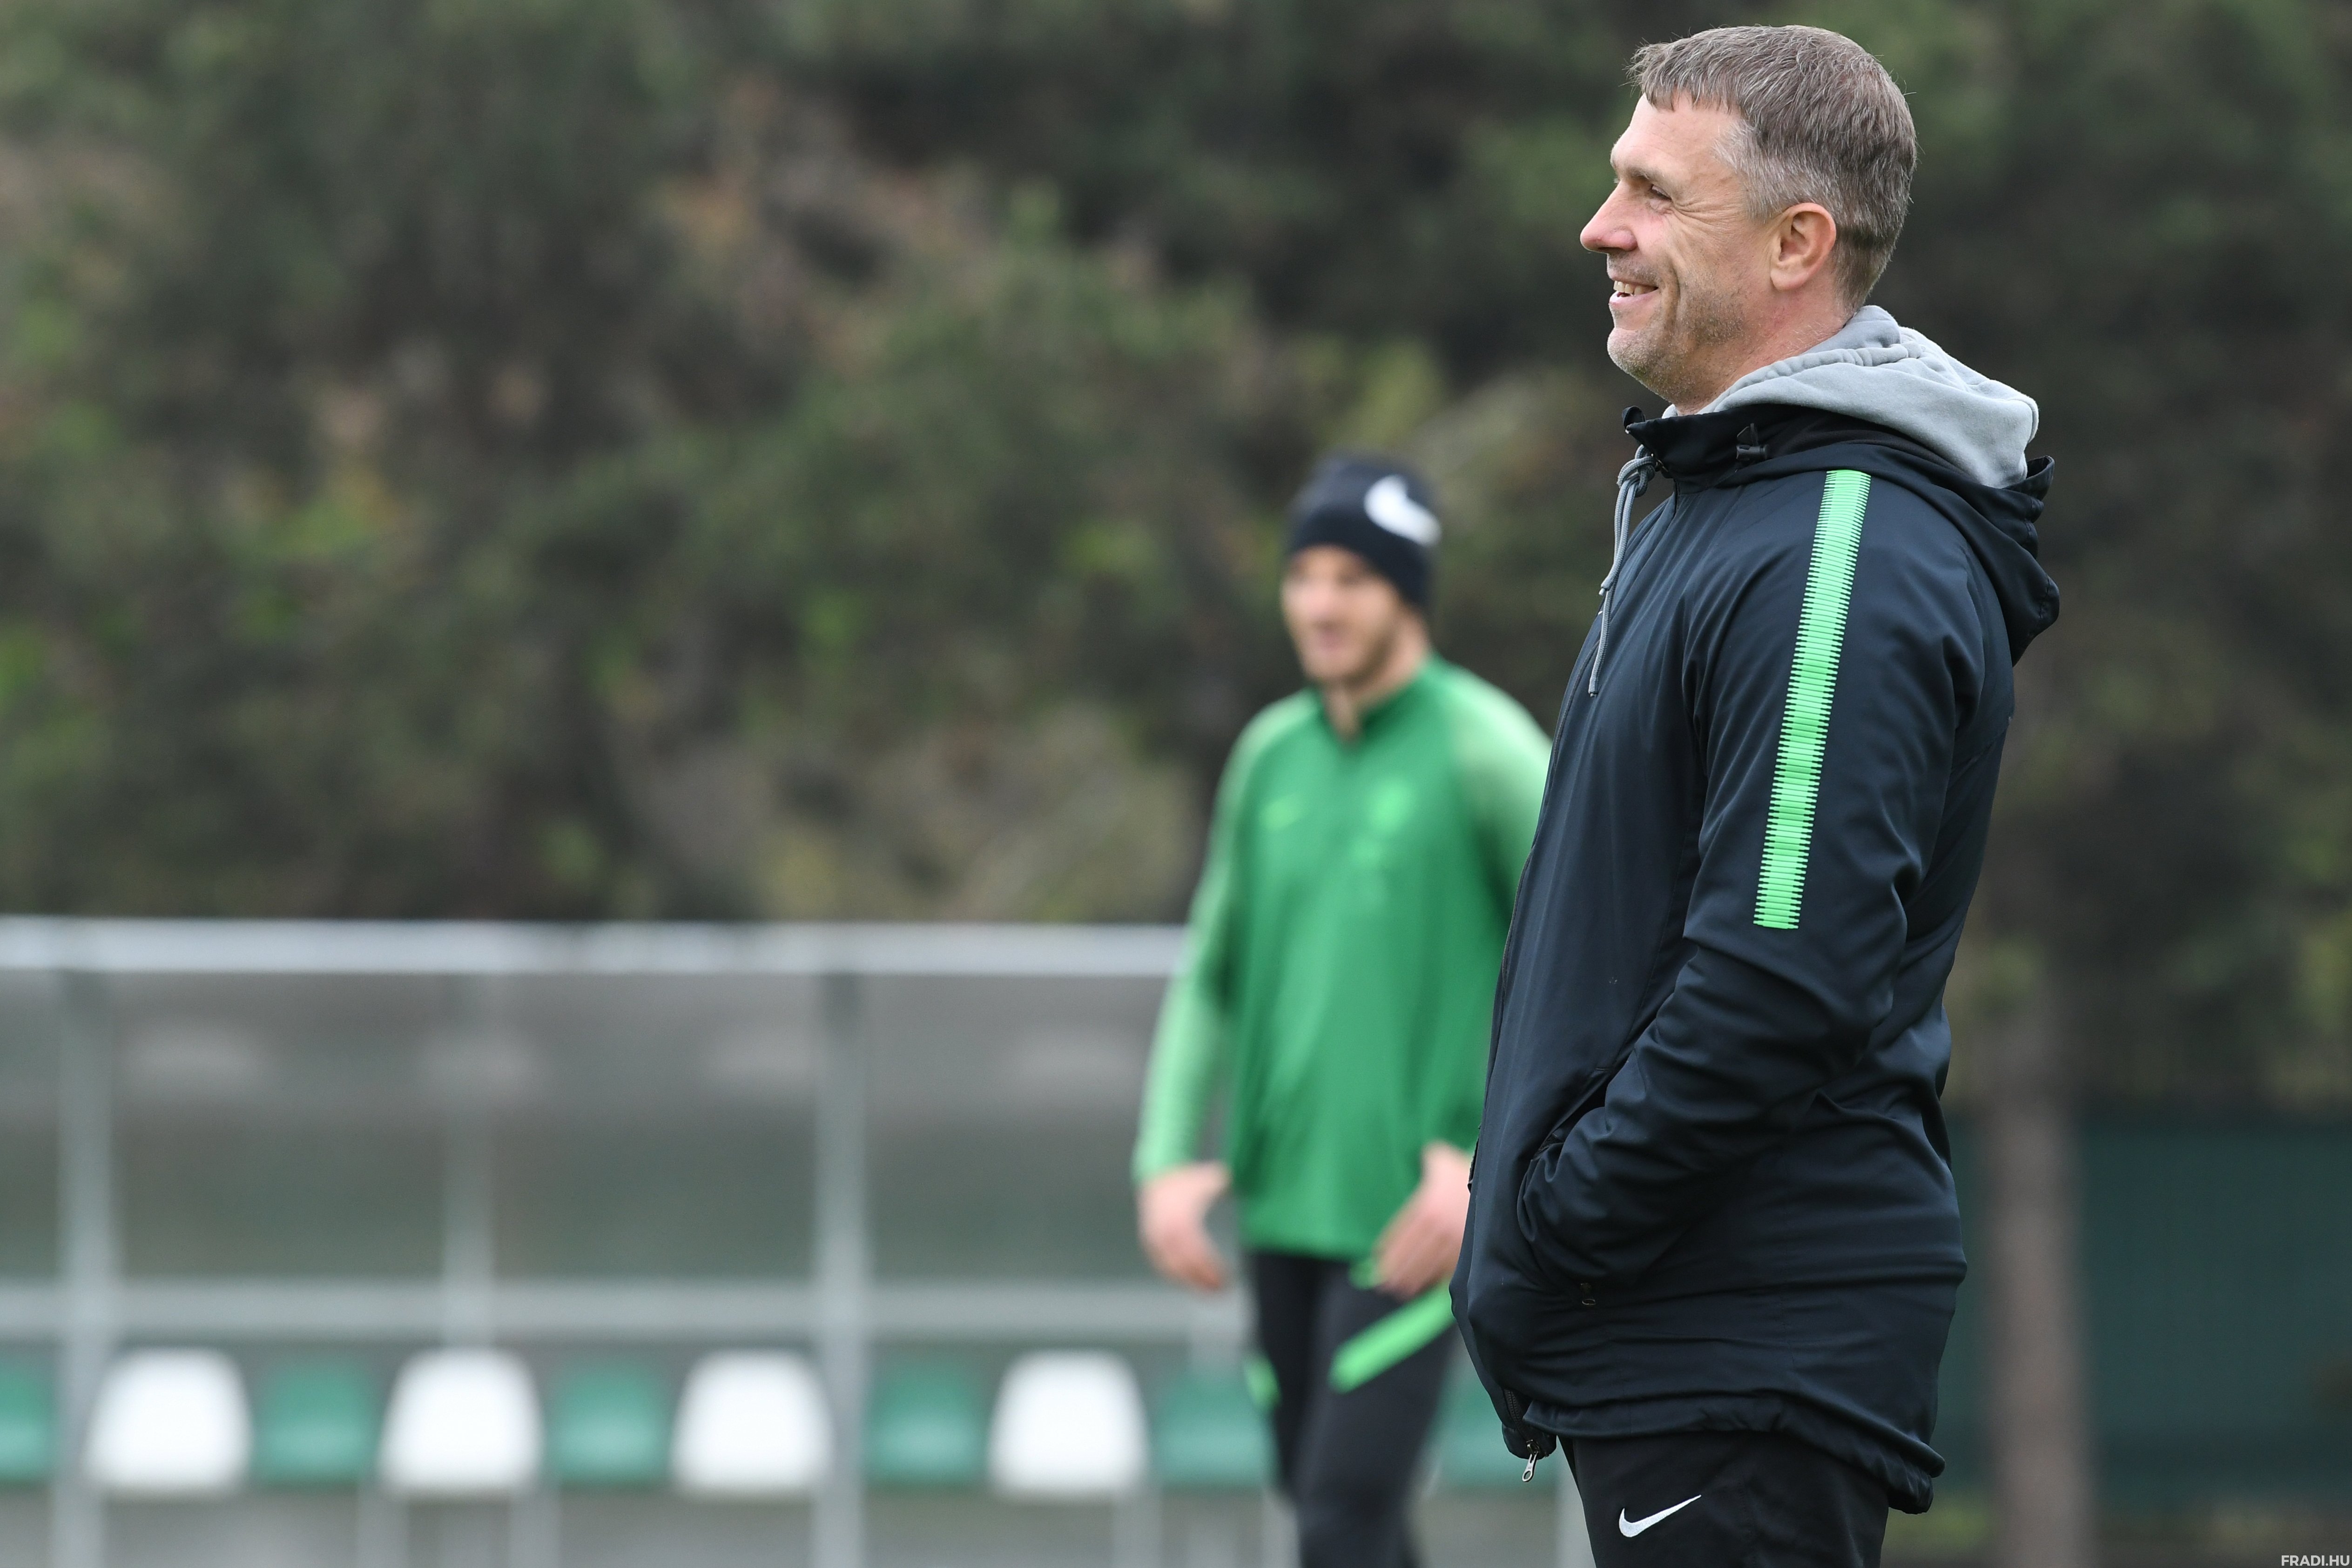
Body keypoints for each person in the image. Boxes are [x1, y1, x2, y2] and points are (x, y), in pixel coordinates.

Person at [1451, 25, 2061, 1568]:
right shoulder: (1728, 498)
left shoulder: (1839, 543)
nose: (1599, 228)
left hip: (1733, 1348)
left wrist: (1562, 1214)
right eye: (1615, 183)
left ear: (1797, 243)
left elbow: (1779, 973)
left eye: (1655, 194)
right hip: (1683, 1340)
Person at [1133, 454, 1550, 1568]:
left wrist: (1487, 1161)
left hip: (1412, 1225)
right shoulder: (1270, 756)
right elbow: (1211, 972)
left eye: (1351, 579)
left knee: (1339, 1514)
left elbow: (1591, 960)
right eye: (1303, 576)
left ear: (1407, 592)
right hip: (1280, 1211)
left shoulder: (1484, 747)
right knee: (1329, 1505)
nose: (1320, 605)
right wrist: (1165, 1156)